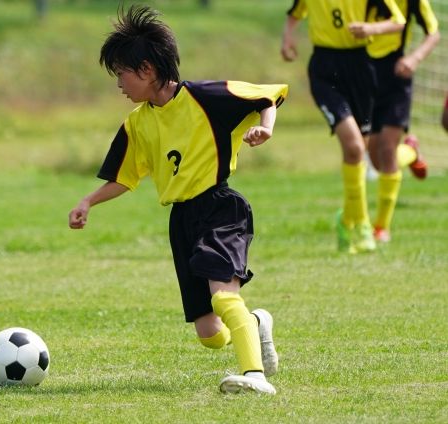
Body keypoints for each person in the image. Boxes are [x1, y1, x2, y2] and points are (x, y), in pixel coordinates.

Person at [68, 5, 288, 395]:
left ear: (147, 70)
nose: (118, 84)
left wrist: (265, 129)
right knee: (208, 334)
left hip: (220, 209)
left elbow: (268, 95)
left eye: (121, 73)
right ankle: (253, 325)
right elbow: (125, 175)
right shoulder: (138, 122)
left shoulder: (206, 96)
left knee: (223, 295)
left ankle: (255, 375)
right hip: (182, 220)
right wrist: (89, 200)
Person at [281, 0, 405, 254]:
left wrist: (371, 30)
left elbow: (398, 22)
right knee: (354, 147)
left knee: (359, 152)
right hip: (325, 70)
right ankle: (362, 226)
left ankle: (346, 219)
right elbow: (295, 13)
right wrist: (288, 38)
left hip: (361, 68)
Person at [367, 0, 440, 243]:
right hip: (365, 75)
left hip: (397, 76)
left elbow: (433, 33)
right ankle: (410, 150)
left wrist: (414, 59)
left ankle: (381, 228)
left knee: (387, 150)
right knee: (377, 161)